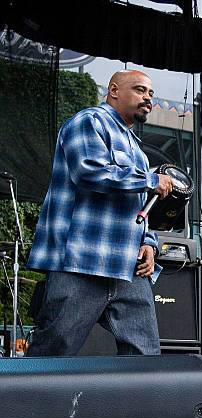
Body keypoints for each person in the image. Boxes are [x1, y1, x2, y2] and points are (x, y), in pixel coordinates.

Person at [26, 70, 173, 357]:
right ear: (114, 90)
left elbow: (140, 209)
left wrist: (149, 244)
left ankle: (137, 405)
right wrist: (151, 180)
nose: (147, 98)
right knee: (53, 353)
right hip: (82, 263)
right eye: (140, 90)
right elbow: (89, 172)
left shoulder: (136, 150)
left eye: (151, 94)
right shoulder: (89, 121)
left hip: (128, 268)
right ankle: (20, 403)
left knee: (144, 357)